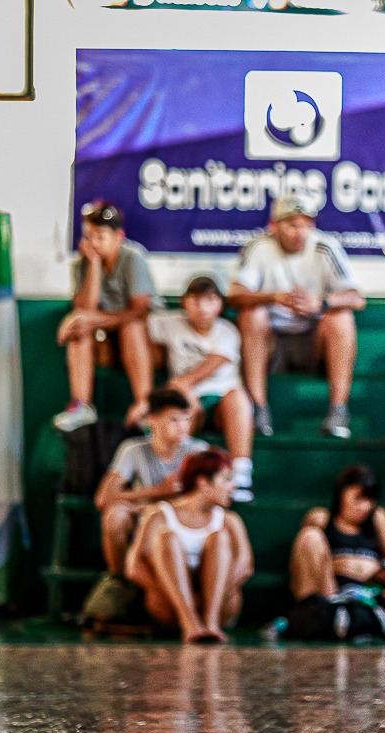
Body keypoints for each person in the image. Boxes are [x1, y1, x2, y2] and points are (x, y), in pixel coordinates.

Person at [228, 195, 366, 439]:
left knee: (341, 317)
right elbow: (234, 295)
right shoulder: (259, 247)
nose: (300, 232)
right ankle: (258, 410)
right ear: (274, 226)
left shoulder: (325, 246)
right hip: (271, 344)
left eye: (306, 224)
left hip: (313, 344)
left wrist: (321, 303)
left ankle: (338, 411)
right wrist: (273, 297)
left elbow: (357, 299)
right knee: (252, 315)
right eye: (292, 225)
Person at [125, 449, 253, 644]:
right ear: (203, 483)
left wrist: (205, 598)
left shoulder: (230, 520)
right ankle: (189, 623)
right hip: (170, 607)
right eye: (226, 479)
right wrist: (177, 596)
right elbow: (134, 568)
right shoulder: (158, 514)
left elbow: (245, 567)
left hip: (220, 607)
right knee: (167, 538)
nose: (233, 486)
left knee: (219, 538)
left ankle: (211, 623)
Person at [54, 201, 160, 432]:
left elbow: (140, 310)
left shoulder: (133, 257)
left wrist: (92, 320)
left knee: (130, 326)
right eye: (88, 236)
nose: (93, 243)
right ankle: (82, 406)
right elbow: (85, 309)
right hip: (110, 341)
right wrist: (93, 265)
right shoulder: (82, 264)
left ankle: (145, 405)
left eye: (100, 237)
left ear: (118, 236)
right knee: (80, 330)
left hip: (148, 341)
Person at [147, 276, 254, 502]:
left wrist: (179, 384)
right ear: (184, 302)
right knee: (181, 403)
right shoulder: (170, 323)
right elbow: (139, 321)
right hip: (187, 402)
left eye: (210, 300)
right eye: (195, 300)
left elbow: (208, 367)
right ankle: (175, 476)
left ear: (220, 305)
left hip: (221, 405)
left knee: (238, 398)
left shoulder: (228, 331)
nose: (202, 308)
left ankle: (240, 475)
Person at [94, 388, 209, 577]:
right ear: (152, 421)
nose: (182, 426)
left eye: (186, 419)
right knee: (115, 515)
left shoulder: (198, 451)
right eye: (174, 419)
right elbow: (103, 498)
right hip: (143, 518)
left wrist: (156, 508)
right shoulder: (133, 449)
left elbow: (205, 500)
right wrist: (159, 491)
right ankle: (120, 579)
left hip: (181, 521)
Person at [288, 465, 385, 624]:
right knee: (310, 535)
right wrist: (345, 565)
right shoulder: (321, 518)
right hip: (330, 590)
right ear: (342, 494)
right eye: (358, 498)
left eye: (369, 500)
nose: (365, 506)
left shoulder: (377, 518)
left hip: (365, 593)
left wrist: (379, 572)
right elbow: (304, 563)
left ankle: (347, 620)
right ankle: (336, 615)